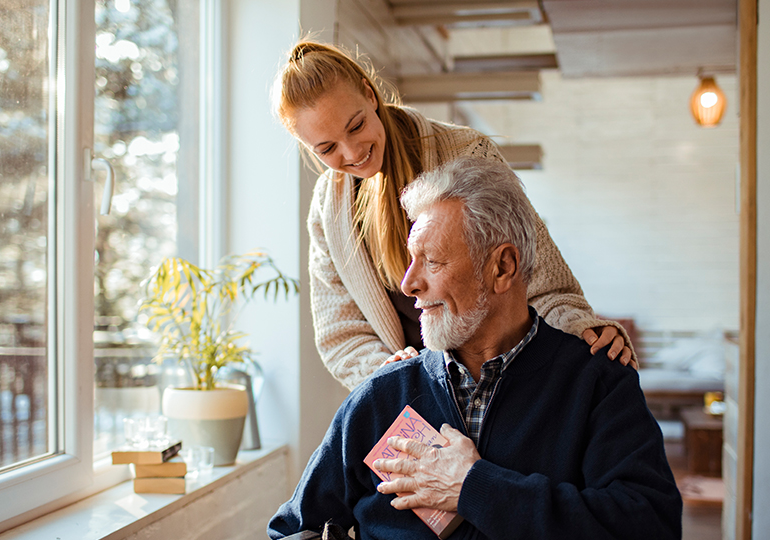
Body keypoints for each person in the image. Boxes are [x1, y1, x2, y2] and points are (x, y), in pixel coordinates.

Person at [267, 157, 682, 540]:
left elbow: (651, 526)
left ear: (502, 267)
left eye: (431, 261)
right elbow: (291, 530)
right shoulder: (381, 396)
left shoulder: (598, 383)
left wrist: (474, 487)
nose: (409, 284)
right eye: (410, 261)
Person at [273, 40, 636, 390]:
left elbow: (538, 274)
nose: (352, 152)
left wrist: (583, 329)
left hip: (502, 378)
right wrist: (387, 376)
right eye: (327, 148)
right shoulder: (327, 208)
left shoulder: (467, 152)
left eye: (356, 126)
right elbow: (341, 333)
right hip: (411, 397)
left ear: (370, 95)